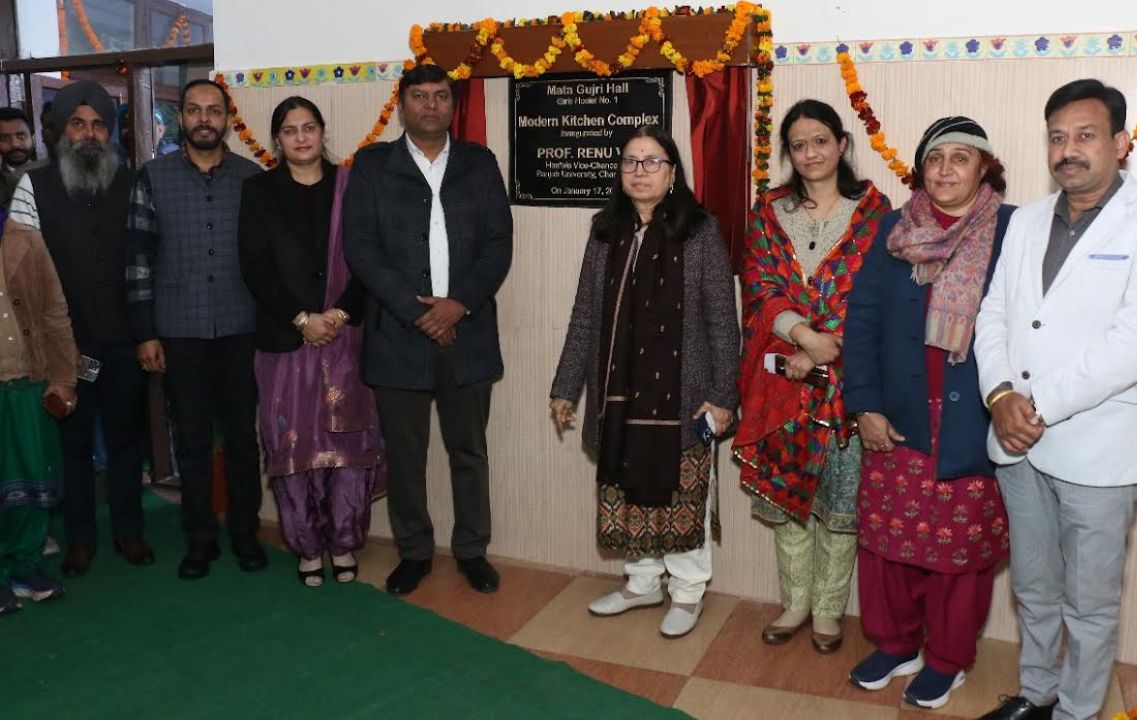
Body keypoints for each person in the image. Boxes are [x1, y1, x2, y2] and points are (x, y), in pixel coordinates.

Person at [974, 79, 1137, 720]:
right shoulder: (1025, 221)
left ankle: (1076, 711)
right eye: (1057, 137)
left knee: (1090, 605)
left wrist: (1034, 405)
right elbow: (995, 314)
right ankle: (1037, 692)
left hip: (1097, 450)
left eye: (1085, 135)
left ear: (1121, 143)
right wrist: (999, 394)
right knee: (1034, 587)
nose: (1068, 150)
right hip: (1016, 443)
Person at [843, 117, 1015, 707]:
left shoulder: (1011, 229)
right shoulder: (894, 229)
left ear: (984, 167)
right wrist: (863, 403)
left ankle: (947, 658)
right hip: (897, 415)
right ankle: (896, 645)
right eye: (935, 158)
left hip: (973, 420)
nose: (945, 170)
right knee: (887, 542)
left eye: (960, 158)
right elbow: (862, 320)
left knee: (957, 551)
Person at [550, 125, 739, 638]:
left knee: (682, 492)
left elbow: (723, 321)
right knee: (627, 488)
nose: (640, 171)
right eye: (630, 161)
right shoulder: (605, 232)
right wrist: (565, 387)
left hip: (685, 396)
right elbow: (584, 316)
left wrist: (722, 396)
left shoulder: (699, 232)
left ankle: (687, 591)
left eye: (652, 161)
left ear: (672, 172)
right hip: (618, 394)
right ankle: (642, 583)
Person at [343, 64, 512, 597]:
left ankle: (472, 551)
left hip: (468, 332)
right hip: (398, 334)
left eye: (441, 96)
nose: (431, 105)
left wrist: (458, 305)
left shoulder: (479, 163)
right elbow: (361, 247)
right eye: (420, 96)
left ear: (452, 105)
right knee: (406, 455)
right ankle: (414, 553)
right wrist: (419, 313)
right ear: (402, 105)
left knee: (469, 452)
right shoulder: (373, 166)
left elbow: (498, 244)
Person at [734, 99, 890, 653]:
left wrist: (829, 349)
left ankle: (827, 610)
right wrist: (803, 337)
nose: (810, 153)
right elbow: (758, 287)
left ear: (841, 144)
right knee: (788, 499)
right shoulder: (769, 212)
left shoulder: (875, 214)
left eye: (820, 141)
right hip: (782, 381)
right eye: (798, 145)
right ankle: (795, 603)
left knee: (840, 503)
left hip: (849, 381)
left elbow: (878, 297)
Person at [9, 81, 152, 577]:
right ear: (60, 132)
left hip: (124, 340)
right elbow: (20, 270)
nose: (89, 134)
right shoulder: (33, 186)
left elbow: (147, 259)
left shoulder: (132, 182)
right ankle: (79, 539)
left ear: (109, 132)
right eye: (78, 124)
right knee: (72, 444)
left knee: (126, 438)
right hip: (64, 347)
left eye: (98, 125)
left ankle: (129, 530)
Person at [238, 96, 382, 587]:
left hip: (345, 337)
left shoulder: (352, 185)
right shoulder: (259, 190)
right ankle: (306, 546)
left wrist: (338, 314)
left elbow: (370, 257)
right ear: (277, 140)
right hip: (285, 339)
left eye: (309, 127)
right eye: (290, 129)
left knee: (346, 441)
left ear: (322, 132)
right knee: (293, 443)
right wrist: (302, 319)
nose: (301, 137)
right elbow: (254, 265)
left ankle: (343, 542)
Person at [125, 79, 265, 580]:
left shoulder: (252, 178)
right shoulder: (152, 177)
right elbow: (137, 260)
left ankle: (245, 534)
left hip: (241, 328)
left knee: (243, 441)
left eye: (213, 110)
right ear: (181, 117)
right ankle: (200, 540)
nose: (204, 119)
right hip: (179, 331)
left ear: (228, 118)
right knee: (191, 441)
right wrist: (145, 332)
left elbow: (265, 261)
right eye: (194, 110)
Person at [0, 207, 78, 614]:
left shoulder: (27, 239)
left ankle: (25, 568)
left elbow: (54, 312)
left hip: (29, 380)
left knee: (32, 480)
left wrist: (63, 377)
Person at [0, 108, 39, 208]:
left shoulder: (49, 173)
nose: (15, 144)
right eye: (4, 138)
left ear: (33, 139)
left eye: (21, 136)